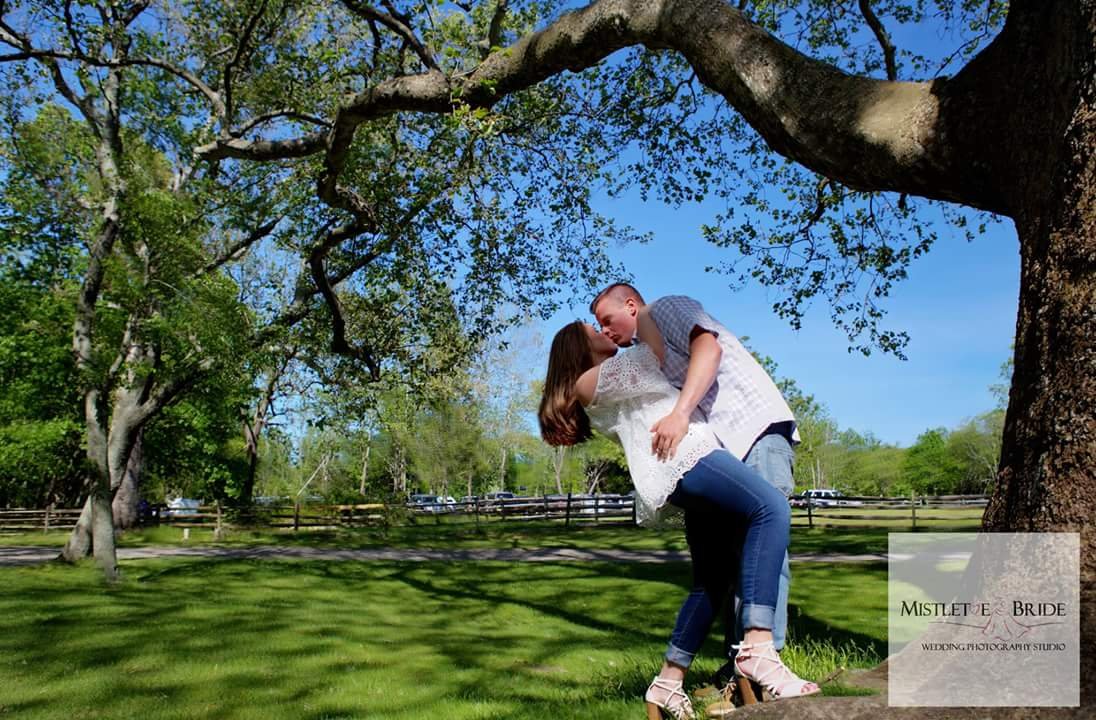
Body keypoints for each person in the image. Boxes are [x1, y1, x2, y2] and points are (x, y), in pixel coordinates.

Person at [538, 321, 819, 719]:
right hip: (688, 458)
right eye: (594, 329)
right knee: (770, 508)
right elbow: (656, 350)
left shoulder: (599, 380)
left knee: (712, 580)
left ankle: (667, 682)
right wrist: (646, 312)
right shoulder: (590, 380)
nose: (605, 331)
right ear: (576, 347)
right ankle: (758, 646)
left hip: (678, 470)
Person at [592, 283, 798, 686]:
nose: (605, 331)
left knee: (768, 533)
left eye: (607, 320)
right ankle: (739, 665)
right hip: (723, 448)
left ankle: (763, 660)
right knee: (733, 557)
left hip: (750, 428)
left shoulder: (664, 308)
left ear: (631, 305)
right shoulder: (648, 352)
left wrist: (682, 413)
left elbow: (710, 349)